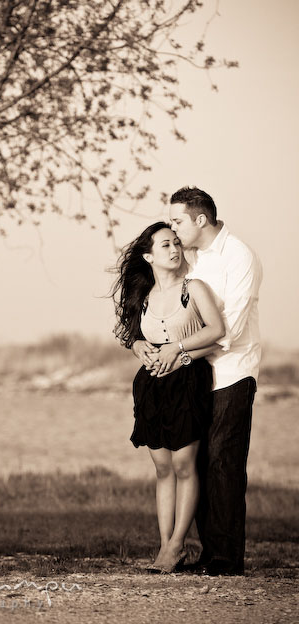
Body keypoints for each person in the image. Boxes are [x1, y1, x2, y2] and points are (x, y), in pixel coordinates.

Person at [135, 187, 262, 576]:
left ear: (199, 220)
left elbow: (229, 330)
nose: (173, 231)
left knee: (223, 461)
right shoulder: (192, 259)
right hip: (195, 375)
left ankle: (226, 559)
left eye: (177, 222)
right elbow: (169, 306)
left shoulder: (238, 257)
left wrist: (178, 352)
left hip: (231, 372)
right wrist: (145, 344)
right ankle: (206, 552)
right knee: (200, 462)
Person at [112, 221, 225, 573]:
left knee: (183, 466)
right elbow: (135, 339)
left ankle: (177, 545)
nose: (175, 249)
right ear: (149, 256)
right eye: (165, 245)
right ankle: (165, 547)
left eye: (177, 242)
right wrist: (138, 346)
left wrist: (179, 352)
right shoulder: (143, 297)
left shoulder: (195, 289)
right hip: (152, 387)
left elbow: (217, 331)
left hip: (188, 381)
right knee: (163, 469)